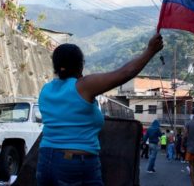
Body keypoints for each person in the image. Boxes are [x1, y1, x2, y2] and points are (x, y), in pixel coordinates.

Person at [36, 33, 163, 185]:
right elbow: (124, 73)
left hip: (45, 160)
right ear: (80, 65)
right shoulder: (83, 86)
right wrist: (150, 51)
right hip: (75, 165)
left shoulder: (46, 90)